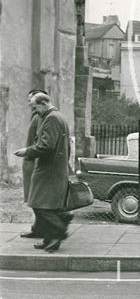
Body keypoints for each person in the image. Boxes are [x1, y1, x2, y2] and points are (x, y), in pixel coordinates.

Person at [14, 93, 72, 252]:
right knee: (47, 205)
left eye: (35, 107)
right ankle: (50, 238)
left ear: (43, 104)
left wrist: (27, 151)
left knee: (40, 205)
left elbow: (46, 146)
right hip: (54, 169)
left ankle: (59, 229)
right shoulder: (58, 116)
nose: (34, 112)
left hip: (48, 170)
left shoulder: (51, 118)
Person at [19, 89, 47, 239]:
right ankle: (39, 227)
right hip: (30, 161)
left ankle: (40, 229)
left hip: (34, 161)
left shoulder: (41, 117)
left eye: (31, 100)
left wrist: (30, 154)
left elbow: (40, 141)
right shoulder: (36, 116)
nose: (29, 103)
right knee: (33, 196)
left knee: (36, 196)